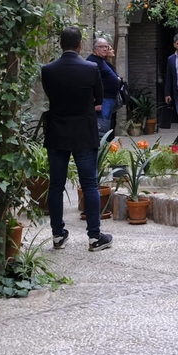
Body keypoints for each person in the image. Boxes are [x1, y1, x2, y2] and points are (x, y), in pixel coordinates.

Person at [41, 26, 112, 252]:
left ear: (60, 44)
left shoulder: (48, 70)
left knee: (56, 185)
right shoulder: (91, 68)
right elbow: (99, 98)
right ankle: (94, 237)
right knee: (89, 184)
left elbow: (50, 95)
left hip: (57, 131)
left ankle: (57, 235)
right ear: (80, 45)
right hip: (84, 130)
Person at [88, 37, 122, 136]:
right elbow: (91, 81)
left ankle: (105, 147)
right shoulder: (92, 61)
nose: (105, 49)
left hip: (109, 98)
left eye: (106, 47)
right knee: (101, 126)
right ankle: (100, 148)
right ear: (95, 49)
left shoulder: (102, 60)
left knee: (107, 125)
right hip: (103, 100)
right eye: (101, 47)